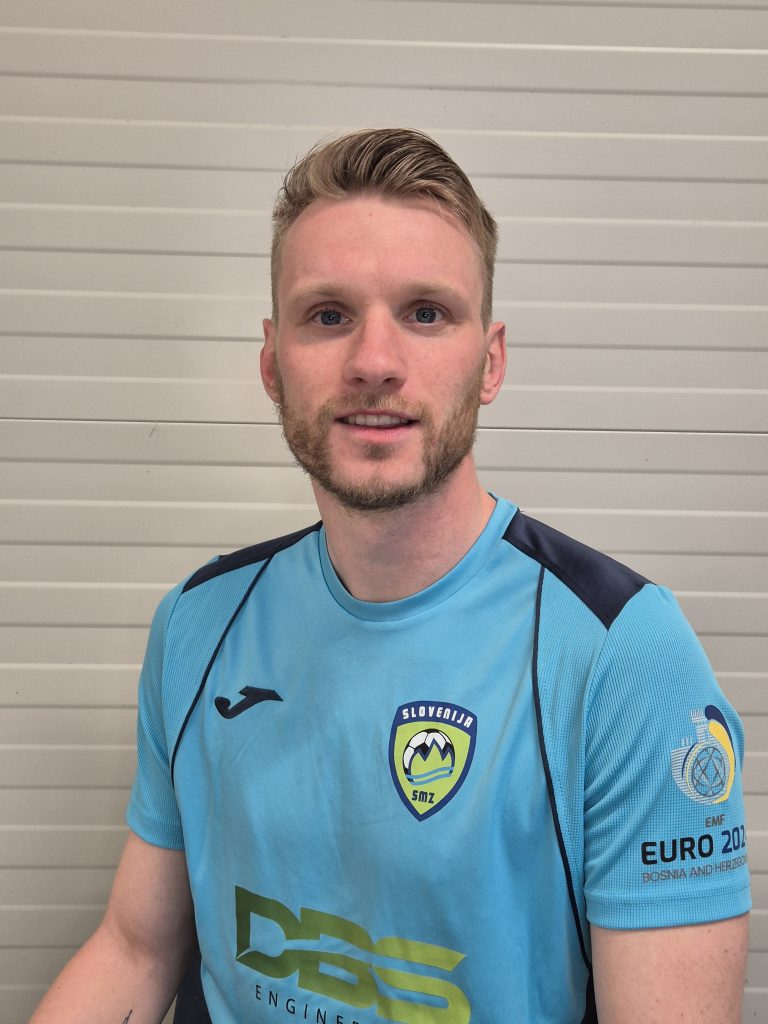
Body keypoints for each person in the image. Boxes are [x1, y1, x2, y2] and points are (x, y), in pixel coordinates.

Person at [31, 128, 750, 1024]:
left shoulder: (621, 656)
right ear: (272, 364)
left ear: (490, 362)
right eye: (328, 315)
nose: (374, 361)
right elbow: (136, 950)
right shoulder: (197, 623)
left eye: (426, 313)